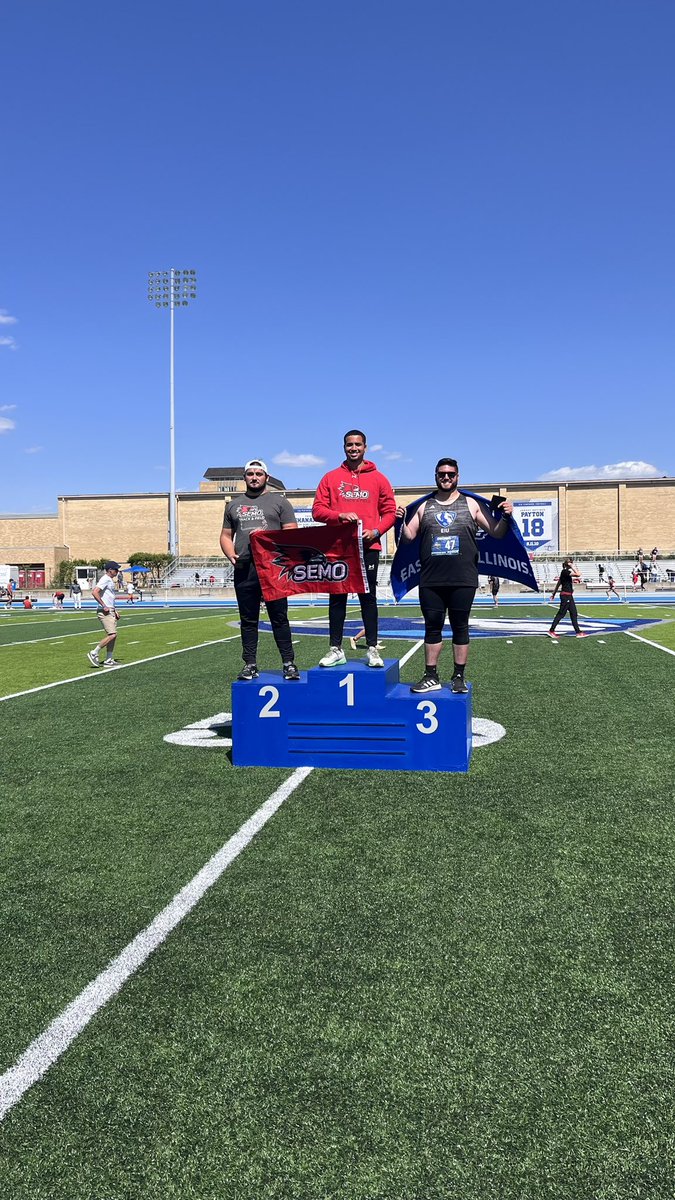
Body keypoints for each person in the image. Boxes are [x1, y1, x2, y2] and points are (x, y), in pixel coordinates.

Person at [396, 457, 514, 693]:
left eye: (450, 474)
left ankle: (458, 676)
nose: (446, 477)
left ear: (457, 476)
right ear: (436, 476)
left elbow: (496, 532)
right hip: (430, 579)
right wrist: (398, 521)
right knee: (432, 627)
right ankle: (431, 675)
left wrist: (507, 516)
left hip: (463, 578)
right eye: (442, 474)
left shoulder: (470, 504)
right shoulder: (424, 506)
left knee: (460, 627)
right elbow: (408, 537)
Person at [312, 429, 397, 668]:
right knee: (336, 597)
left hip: (368, 546)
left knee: (367, 598)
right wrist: (339, 516)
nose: (354, 448)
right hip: (338, 547)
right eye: (349, 445)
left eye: (358, 444)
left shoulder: (379, 478)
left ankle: (372, 648)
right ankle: (335, 648)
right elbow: (317, 510)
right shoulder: (330, 477)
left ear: (365, 447)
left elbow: (390, 512)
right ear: (344, 447)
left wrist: (377, 531)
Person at [220, 459, 300, 681]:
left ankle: (288, 663)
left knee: (279, 617)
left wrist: (269, 541)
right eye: (250, 474)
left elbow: (291, 532)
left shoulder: (280, 502)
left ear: (266, 477)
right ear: (244, 477)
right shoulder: (233, 505)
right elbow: (226, 536)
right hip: (245, 567)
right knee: (248, 619)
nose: (254, 477)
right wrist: (231, 555)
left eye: (258, 474)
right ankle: (250, 664)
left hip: (273, 568)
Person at [87, 560, 121, 667]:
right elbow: (95, 592)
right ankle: (94, 652)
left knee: (113, 635)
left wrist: (114, 610)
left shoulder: (109, 580)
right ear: (110, 570)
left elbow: (109, 597)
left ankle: (108, 659)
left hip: (110, 610)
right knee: (112, 635)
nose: (117, 571)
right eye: (116, 569)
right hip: (105, 611)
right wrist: (104, 605)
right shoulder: (105, 579)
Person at [547, 560, 588, 639]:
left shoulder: (565, 573)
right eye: (571, 563)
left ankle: (578, 632)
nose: (572, 564)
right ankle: (551, 631)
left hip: (569, 596)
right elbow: (578, 574)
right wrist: (572, 567)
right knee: (561, 614)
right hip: (566, 596)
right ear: (568, 564)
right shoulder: (565, 571)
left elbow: (559, 583)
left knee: (574, 613)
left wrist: (553, 593)